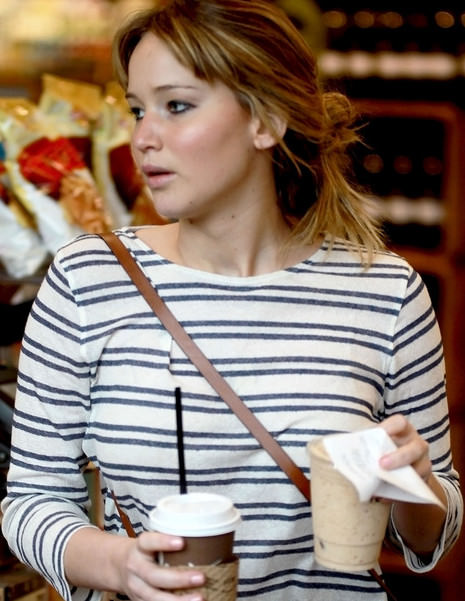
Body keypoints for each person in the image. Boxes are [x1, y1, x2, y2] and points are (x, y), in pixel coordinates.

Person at [1, 1, 462, 600]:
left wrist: (415, 487)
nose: (143, 138)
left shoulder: (386, 291)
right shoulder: (87, 279)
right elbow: (31, 501)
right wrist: (120, 566)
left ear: (265, 121)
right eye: (137, 110)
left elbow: (430, 537)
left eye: (176, 106)